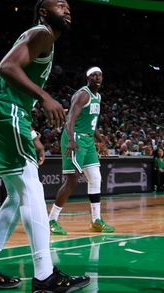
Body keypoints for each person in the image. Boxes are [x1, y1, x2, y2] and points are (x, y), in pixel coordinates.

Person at [0, 0, 89, 292]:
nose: (67, 9)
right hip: (6, 112)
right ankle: (45, 277)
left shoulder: (43, 38)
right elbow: (6, 68)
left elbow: (12, 87)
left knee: (17, 197)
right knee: (31, 190)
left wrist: (31, 133)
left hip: (5, 112)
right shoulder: (41, 33)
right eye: (60, 5)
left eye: (68, 6)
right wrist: (44, 97)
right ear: (44, 12)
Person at [48, 67, 114, 235]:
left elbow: (91, 121)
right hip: (75, 138)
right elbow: (70, 118)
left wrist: (101, 139)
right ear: (87, 78)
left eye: (100, 74)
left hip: (88, 139)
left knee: (95, 177)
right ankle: (51, 220)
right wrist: (70, 140)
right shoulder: (83, 94)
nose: (97, 77)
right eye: (94, 75)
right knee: (72, 179)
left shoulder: (98, 97)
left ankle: (96, 221)